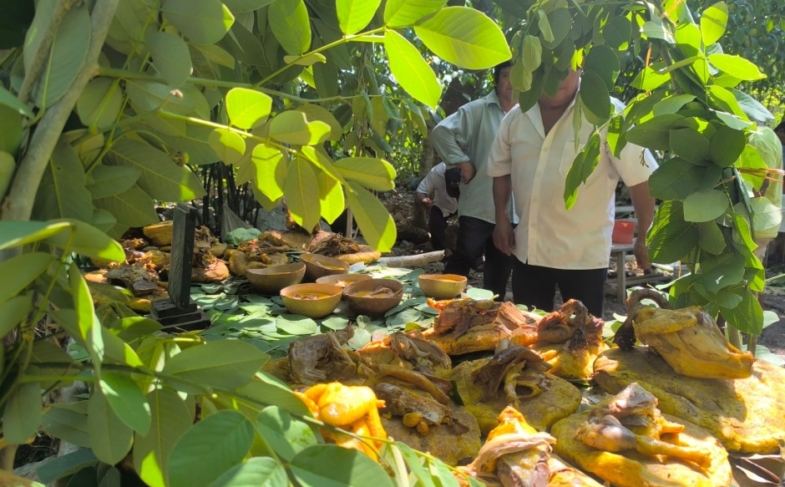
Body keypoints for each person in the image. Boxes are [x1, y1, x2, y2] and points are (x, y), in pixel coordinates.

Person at [488, 69, 657, 317]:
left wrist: (645, 234)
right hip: (529, 251)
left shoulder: (607, 113)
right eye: (547, 67)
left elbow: (641, 177)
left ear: (581, 65)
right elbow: (500, 169)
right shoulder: (517, 116)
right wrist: (501, 218)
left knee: (584, 339)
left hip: (584, 257)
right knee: (528, 334)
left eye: (564, 68)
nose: (555, 77)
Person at [431, 61, 517, 299]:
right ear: (497, 81)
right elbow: (442, 131)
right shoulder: (479, 109)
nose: (512, 82)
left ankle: (489, 316)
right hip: (480, 205)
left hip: (514, 210)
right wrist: (462, 161)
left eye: (517, 76)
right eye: (506, 76)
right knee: (464, 258)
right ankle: (441, 304)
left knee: (500, 268)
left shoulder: (530, 113)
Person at [416, 162, 461, 252]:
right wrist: (424, 200)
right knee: (435, 224)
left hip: (469, 204)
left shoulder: (473, 171)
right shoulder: (436, 172)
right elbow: (420, 191)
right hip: (443, 204)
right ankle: (440, 253)